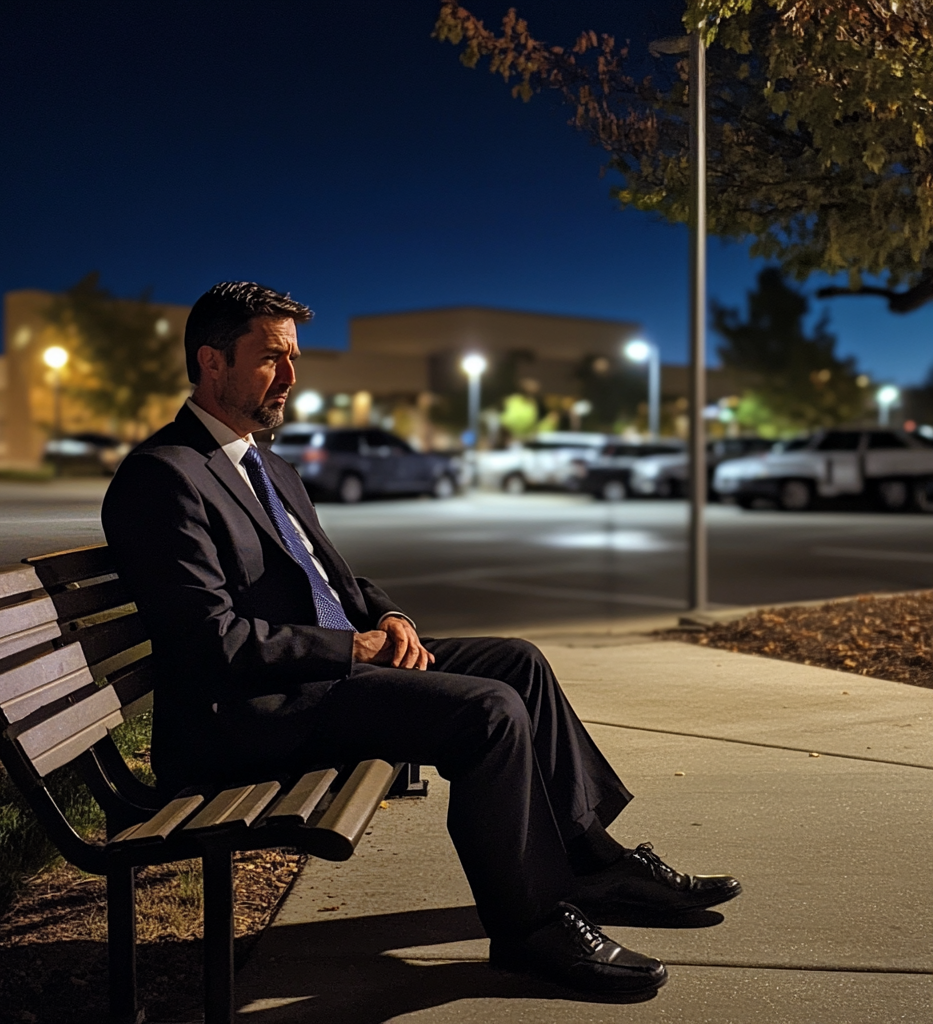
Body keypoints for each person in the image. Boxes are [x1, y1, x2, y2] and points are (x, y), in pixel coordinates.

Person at [101, 281, 741, 998]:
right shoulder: (164, 476)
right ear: (210, 363)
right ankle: (529, 928)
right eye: (272, 358)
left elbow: (336, 580)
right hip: (251, 714)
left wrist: (390, 620)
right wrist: (355, 650)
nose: (291, 376)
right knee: (488, 712)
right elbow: (209, 642)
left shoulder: (267, 466)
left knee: (517, 663)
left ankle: (593, 860)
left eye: (294, 358)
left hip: (326, 675)